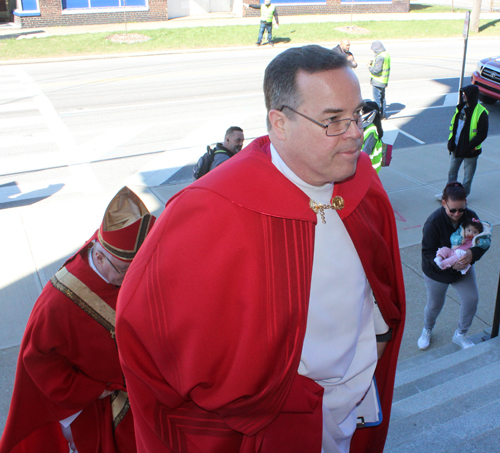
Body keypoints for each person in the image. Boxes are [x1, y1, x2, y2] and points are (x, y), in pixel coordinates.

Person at [116, 45, 405, 453]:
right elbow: (147, 328)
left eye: (357, 114)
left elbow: (380, 284)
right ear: (279, 123)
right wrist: (257, 397)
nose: (356, 132)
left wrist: (378, 335)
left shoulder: (362, 182)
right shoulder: (210, 208)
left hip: (354, 394)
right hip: (275, 422)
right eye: (333, 121)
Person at [0, 187, 156, 453]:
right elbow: (37, 361)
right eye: (126, 271)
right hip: (96, 405)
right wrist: (96, 389)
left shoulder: (114, 255)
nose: (133, 278)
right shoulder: (58, 303)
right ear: (98, 256)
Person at [418, 182, 490, 352]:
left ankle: (461, 334)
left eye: (461, 209)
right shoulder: (433, 222)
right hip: (437, 271)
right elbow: (427, 252)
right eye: (453, 210)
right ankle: (427, 328)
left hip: (463, 268)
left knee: (471, 300)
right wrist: (447, 264)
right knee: (435, 304)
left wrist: (472, 254)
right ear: (444, 203)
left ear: (466, 202)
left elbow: (483, 241)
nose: (457, 214)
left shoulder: (471, 216)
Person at [436, 85, 489, 200]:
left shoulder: (481, 112)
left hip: (471, 150)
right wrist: (451, 141)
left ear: (472, 96)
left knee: (468, 177)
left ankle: (462, 198)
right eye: (463, 94)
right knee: (452, 173)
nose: (464, 96)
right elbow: (453, 127)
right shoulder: (460, 108)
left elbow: (482, 134)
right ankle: (449, 195)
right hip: (457, 147)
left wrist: (470, 146)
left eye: (466, 94)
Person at [368, 41, 390, 119]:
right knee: (382, 99)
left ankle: (377, 115)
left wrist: (369, 67)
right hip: (384, 81)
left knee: (377, 100)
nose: (373, 51)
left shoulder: (380, 57)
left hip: (378, 81)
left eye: (374, 50)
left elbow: (376, 70)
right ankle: (383, 114)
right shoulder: (386, 55)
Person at [361, 100, 383, 173]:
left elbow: (366, 152)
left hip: (370, 169)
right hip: (372, 167)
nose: (361, 114)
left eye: (363, 112)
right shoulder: (374, 127)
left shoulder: (372, 131)